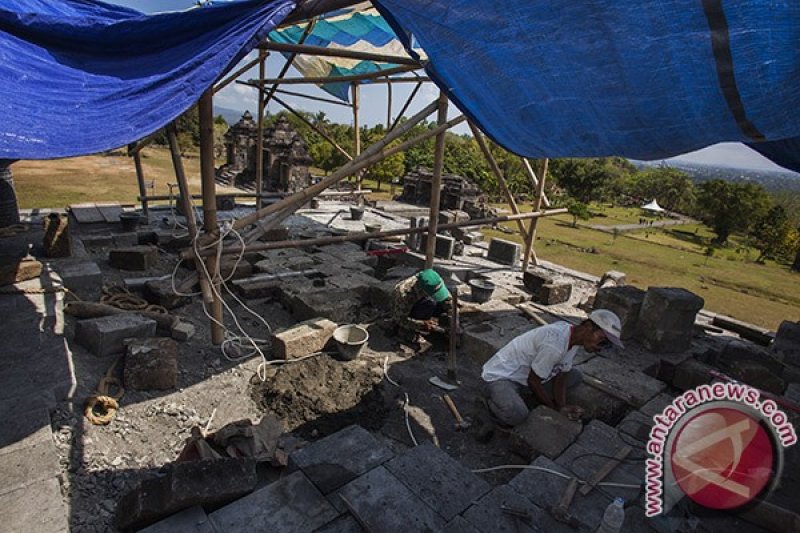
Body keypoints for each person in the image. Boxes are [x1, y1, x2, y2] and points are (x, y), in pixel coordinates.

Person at [480, 309, 623, 427]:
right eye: (602, 341)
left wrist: (562, 406)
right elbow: (533, 381)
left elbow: (562, 376)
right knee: (518, 416)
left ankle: (526, 396)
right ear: (588, 327)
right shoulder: (554, 344)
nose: (601, 348)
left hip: (525, 377)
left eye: (606, 345)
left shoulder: (573, 337)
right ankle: (487, 402)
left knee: (575, 376)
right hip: (501, 377)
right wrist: (555, 409)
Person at [390, 268, 452, 342]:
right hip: (408, 310)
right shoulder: (403, 294)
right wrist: (422, 324)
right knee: (430, 302)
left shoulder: (435, 281)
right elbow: (400, 319)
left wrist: (452, 314)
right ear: (423, 291)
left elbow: (447, 299)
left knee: (438, 305)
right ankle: (406, 331)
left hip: (421, 299)